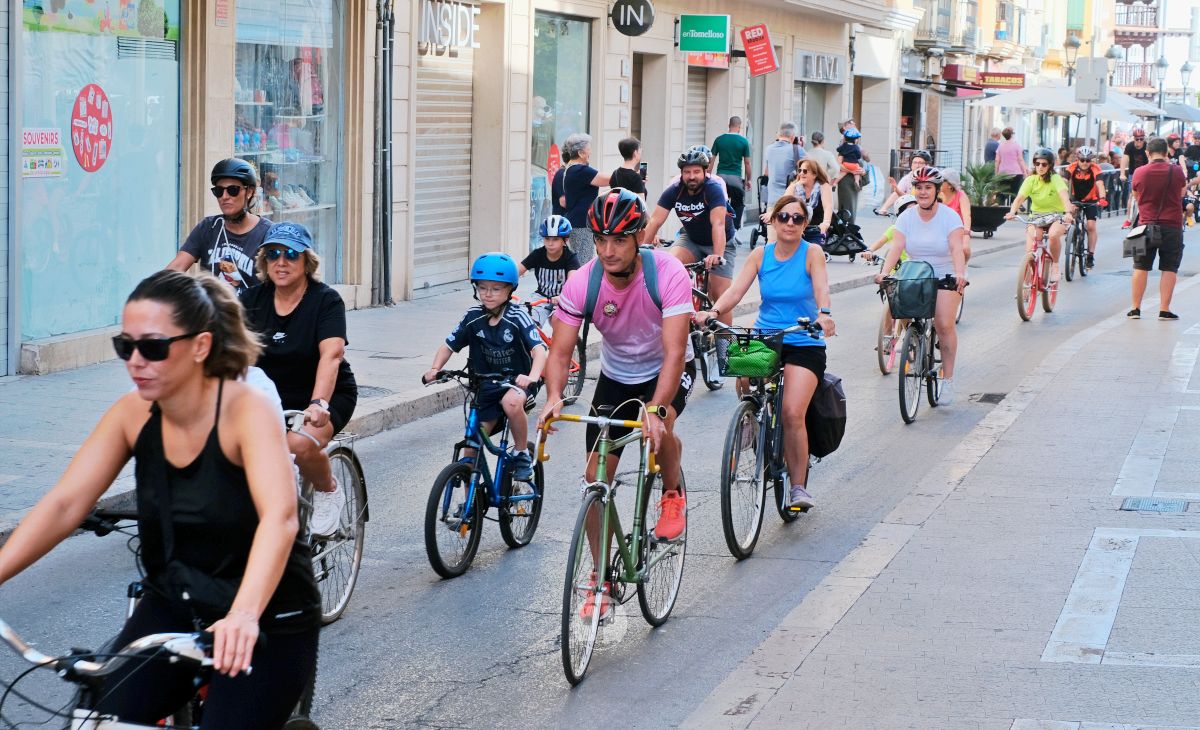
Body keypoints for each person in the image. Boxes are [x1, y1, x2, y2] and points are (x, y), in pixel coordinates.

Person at [0, 270, 319, 728]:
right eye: (124, 346)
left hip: (265, 616)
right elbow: (65, 504)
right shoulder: (133, 413)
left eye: (152, 347)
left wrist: (244, 615)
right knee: (98, 719)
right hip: (176, 602)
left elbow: (280, 518)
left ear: (200, 346)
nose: (135, 361)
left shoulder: (244, 410)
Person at [539, 188, 693, 567]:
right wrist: (554, 396)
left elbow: (675, 351)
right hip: (617, 375)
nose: (608, 251)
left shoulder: (668, 273)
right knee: (595, 478)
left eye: (619, 240)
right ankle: (599, 576)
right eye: (601, 240)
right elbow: (559, 352)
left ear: (639, 237)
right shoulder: (582, 282)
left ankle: (672, 494)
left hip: (665, 370)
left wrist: (656, 410)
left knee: (663, 425)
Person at [694, 194, 835, 509]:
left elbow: (821, 287)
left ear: (805, 224)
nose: (789, 223)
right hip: (767, 335)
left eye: (797, 218)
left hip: (803, 339)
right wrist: (713, 312)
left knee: (791, 412)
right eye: (783, 217)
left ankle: (798, 487)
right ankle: (753, 421)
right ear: (773, 220)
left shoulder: (812, 253)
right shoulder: (760, 255)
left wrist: (824, 313)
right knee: (743, 377)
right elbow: (735, 290)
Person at [239, 222, 359, 536]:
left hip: (324, 395)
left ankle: (329, 490)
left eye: (291, 254)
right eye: (273, 254)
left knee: (300, 444)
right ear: (264, 261)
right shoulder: (251, 300)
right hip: (268, 397)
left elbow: (331, 356)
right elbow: (233, 353)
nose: (281, 261)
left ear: (307, 261)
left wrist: (318, 403)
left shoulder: (325, 300)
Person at [424, 253, 547, 480]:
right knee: (471, 448)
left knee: (511, 403)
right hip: (485, 384)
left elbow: (539, 350)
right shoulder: (472, 317)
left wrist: (532, 376)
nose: (488, 294)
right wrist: (435, 369)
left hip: (517, 381)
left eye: (496, 288)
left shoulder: (517, 316)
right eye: (483, 288)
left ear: (510, 290)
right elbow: (449, 345)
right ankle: (470, 509)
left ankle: (521, 453)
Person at [875, 167, 968, 405]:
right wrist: (885, 273)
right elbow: (896, 248)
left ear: (937, 190)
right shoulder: (906, 217)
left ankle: (947, 380)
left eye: (928, 187)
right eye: (919, 187)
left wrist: (959, 273)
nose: (923, 192)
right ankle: (914, 342)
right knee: (903, 308)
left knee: (944, 324)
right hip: (916, 273)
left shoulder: (949, 217)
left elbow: (957, 249)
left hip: (944, 274)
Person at [640, 147, 737, 326]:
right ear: (681, 174)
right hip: (691, 239)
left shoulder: (713, 189)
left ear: (705, 171)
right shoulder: (674, 191)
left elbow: (719, 224)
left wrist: (717, 254)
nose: (691, 176)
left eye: (696, 171)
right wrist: (640, 251)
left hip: (720, 242)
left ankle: (726, 349)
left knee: (721, 297)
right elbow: (654, 221)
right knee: (670, 265)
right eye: (687, 172)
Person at [169, 158, 272, 293]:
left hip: (250, 313)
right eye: (219, 191)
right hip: (212, 312)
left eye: (233, 190)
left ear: (250, 192)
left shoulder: (268, 233)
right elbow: (174, 269)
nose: (224, 196)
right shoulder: (208, 227)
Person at [1129, 136, 1187, 320]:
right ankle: (1164, 309)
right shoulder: (1177, 171)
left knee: (1140, 267)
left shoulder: (1139, 172)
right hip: (1172, 226)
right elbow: (1181, 193)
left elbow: (1136, 195)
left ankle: (1135, 309)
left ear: (1147, 153)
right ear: (1166, 153)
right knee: (1169, 268)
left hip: (1144, 225)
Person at [1004, 148, 1075, 284]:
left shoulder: (1055, 179)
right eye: (1037, 164)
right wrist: (1012, 212)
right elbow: (1019, 198)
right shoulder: (1031, 180)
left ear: (1050, 165)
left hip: (1056, 215)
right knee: (1030, 250)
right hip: (1036, 217)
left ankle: (1054, 265)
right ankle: (1027, 283)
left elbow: (1064, 197)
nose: (1040, 167)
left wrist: (1067, 213)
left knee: (1054, 235)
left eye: (1044, 164)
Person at [560, 133, 611, 263]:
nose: (590, 152)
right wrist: (633, 175)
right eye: (589, 149)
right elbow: (608, 179)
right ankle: (580, 284)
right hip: (581, 223)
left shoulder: (571, 169)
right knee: (583, 261)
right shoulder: (580, 170)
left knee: (583, 258)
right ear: (581, 153)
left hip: (578, 221)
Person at [520, 215, 581, 323]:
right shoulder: (537, 254)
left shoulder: (570, 258)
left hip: (564, 298)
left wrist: (562, 296)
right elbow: (516, 271)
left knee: (558, 323)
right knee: (529, 323)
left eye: (555, 239)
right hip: (541, 297)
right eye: (547, 238)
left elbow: (573, 282)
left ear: (565, 240)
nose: (550, 243)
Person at [1064, 146, 1109, 269]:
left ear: (1091, 161)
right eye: (1082, 160)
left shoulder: (1096, 168)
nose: (1085, 163)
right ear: (1077, 159)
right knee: (1068, 218)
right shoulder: (1071, 167)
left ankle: (1090, 255)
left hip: (1091, 200)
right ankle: (1072, 234)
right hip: (1075, 199)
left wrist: (1103, 198)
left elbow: (1100, 184)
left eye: (1087, 160)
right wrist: (1063, 198)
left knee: (1091, 226)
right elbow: (1063, 181)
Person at [710, 116, 753, 228]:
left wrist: (708, 176)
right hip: (735, 179)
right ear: (739, 127)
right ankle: (734, 228)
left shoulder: (719, 140)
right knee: (738, 203)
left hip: (720, 177)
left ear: (729, 125)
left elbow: (711, 160)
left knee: (719, 202)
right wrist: (749, 180)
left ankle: (718, 224)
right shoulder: (744, 142)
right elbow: (747, 163)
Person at [783, 158, 835, 245]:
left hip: (817, 228)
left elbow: (828, 206)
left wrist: (826, 222)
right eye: (800, 170)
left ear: (814, 175)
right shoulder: (795, 186)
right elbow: (782, 204)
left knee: (814, 250)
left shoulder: (824, 186)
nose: (801, 173)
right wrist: (771, 213)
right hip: (798, 227)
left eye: (805, 171)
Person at [862, 194, 919, 263]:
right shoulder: (895, 228)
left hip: (916, 268)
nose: (914, 213)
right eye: (909, 211)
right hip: (897, 269)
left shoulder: (922, 228)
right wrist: (869, 250)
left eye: (916, 210)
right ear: (901, 214)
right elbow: (881, 241)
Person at [876, 150, 933, 214]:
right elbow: (897, 195)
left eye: (920, 163)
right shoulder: (908, 178)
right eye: (914, 162)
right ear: (911, 165)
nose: (917, 165)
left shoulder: (932, 178)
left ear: (927, 165)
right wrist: (884, 208)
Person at [763, 122, 804, 209]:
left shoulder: (768, 149)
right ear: (793, 136)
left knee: (772, 222)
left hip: (772, 200)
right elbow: (809, 168)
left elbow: (767, 173)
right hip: (790, 200)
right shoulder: (797, 150)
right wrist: (801, 147)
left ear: (778, 135)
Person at [835, 127, 868, 225]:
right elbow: (839, 165)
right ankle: (848, 229)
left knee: (846, 207)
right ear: (856, 139)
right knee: (849, 207)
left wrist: (860, 172)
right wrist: (855, 172)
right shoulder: (857, 151)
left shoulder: (843, 150)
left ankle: (845, 229)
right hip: (850, 183)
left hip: (845, 183)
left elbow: (838, 164)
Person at [939, 169, 973, 262]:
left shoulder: (961, 196)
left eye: (942, 180)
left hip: (957, 233)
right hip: (940, 232)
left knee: (964, 252)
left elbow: (967, 217)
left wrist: (966, 237)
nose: (939, 182)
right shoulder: (937, 195)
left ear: (950, 185)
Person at [995, 127, 1027, 201]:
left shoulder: (1000, 146)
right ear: (1012, 135)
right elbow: (1020, 160)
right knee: (1015, 194)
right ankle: (1013, 211)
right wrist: (1024, 172)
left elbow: (997, 160)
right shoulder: (1017, 146)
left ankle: (1000, 210)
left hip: (1003, 174)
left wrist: (996, 173)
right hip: (1016, 173)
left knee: (1001, 194)